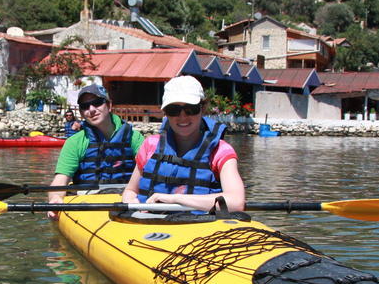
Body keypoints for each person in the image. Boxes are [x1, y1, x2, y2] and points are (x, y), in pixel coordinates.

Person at [122, 75, 245, 213]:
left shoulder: (220, 151)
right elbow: (131, 190)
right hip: (148, 224)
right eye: (173, 110)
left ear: (202, 108)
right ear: (165, 113)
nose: (182, 117)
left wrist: (175, 199)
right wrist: (131, 202)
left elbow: (236, 201)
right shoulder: (150, 145)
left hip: (199, 227)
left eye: (190, 109)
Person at [47, 84, 145, 219]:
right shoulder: (74, 142)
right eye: (85, 106)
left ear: (109, 106)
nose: (91, 110)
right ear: (81, 113)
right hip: (87, 200)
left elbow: (151, 172)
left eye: (97, 103)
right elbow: (60, 181)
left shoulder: (134, 137)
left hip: (126, 198)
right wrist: (56, 197)